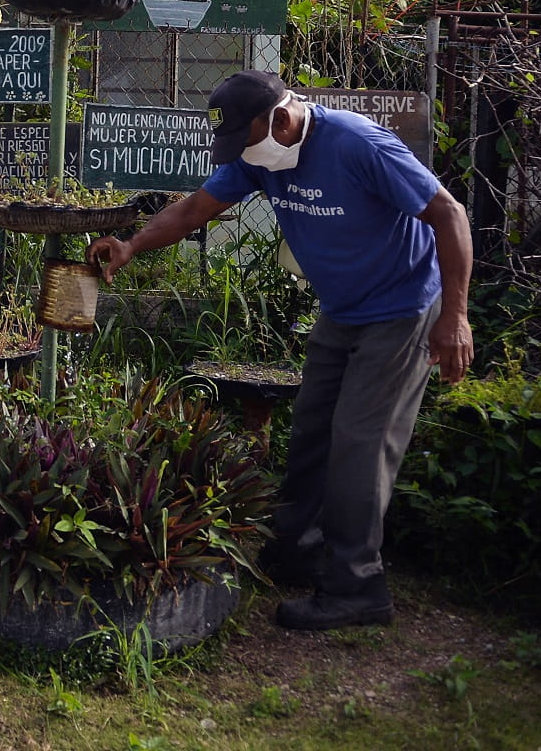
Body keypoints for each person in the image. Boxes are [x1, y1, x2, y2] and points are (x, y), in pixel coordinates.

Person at [87, 70, 473, 631]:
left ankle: (358, 586)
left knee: (360, 444)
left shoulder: (358, 144)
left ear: (280, 119)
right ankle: (298, 552)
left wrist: (455, 317)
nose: (243, 156)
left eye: (244, 140)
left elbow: (449, 213)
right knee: (311, 431)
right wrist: (132, 245)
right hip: (341, 310)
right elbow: (194, 210)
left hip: (402, 308)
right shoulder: (260, 156)